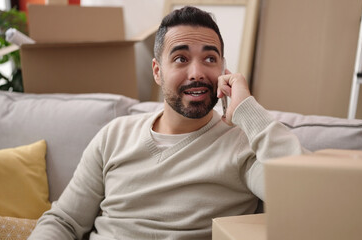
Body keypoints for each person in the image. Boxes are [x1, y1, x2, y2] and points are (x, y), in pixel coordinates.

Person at [29, 6, 305, 240]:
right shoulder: (114, 135)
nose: (197, 72)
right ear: (158, 72)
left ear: (223, 70)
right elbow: (64, 221)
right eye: (181, 59)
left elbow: (304, 195)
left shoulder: (243, 143)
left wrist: (247, 109)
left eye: (210, 58)